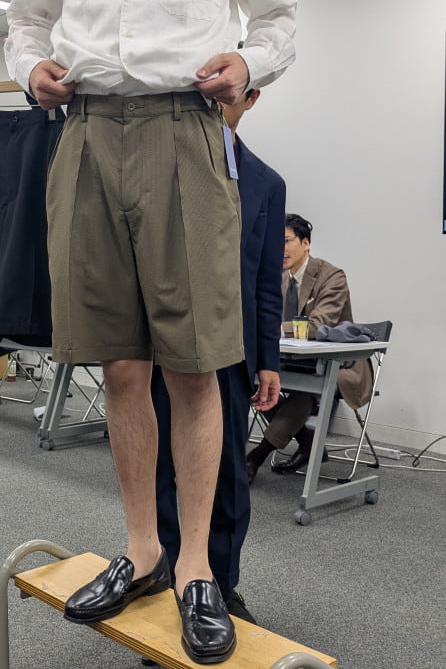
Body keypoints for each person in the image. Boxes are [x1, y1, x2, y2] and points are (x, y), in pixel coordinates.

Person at [4, 0, 296, 662]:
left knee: (194, 364)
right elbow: (26, 21)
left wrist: (249, 59)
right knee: (120, 363)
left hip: (183, 125)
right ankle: (142, 550)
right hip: (86, 128)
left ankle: (196, 566)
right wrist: (30, 69)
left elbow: (278, 16)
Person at [149, 88, 285, 649]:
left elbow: (266, 281)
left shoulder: (266, 183)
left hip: (229, 351)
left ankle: (219, 586)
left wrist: (268, 360)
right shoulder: (160, 164)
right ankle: (170, 583)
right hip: (163, 344)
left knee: (226, 474)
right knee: (163, 469)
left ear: (249, 97)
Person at [246, 214, 373, 483]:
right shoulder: (277, 278)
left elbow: (317, 325)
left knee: (308, 390)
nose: (279, 248)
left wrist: (270, 329)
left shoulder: (332, 277)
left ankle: (256, 456)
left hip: (338, 366)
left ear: (306, 243)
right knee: (246, 377)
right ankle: (308, 442)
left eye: (286, 241)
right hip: (295, 362)